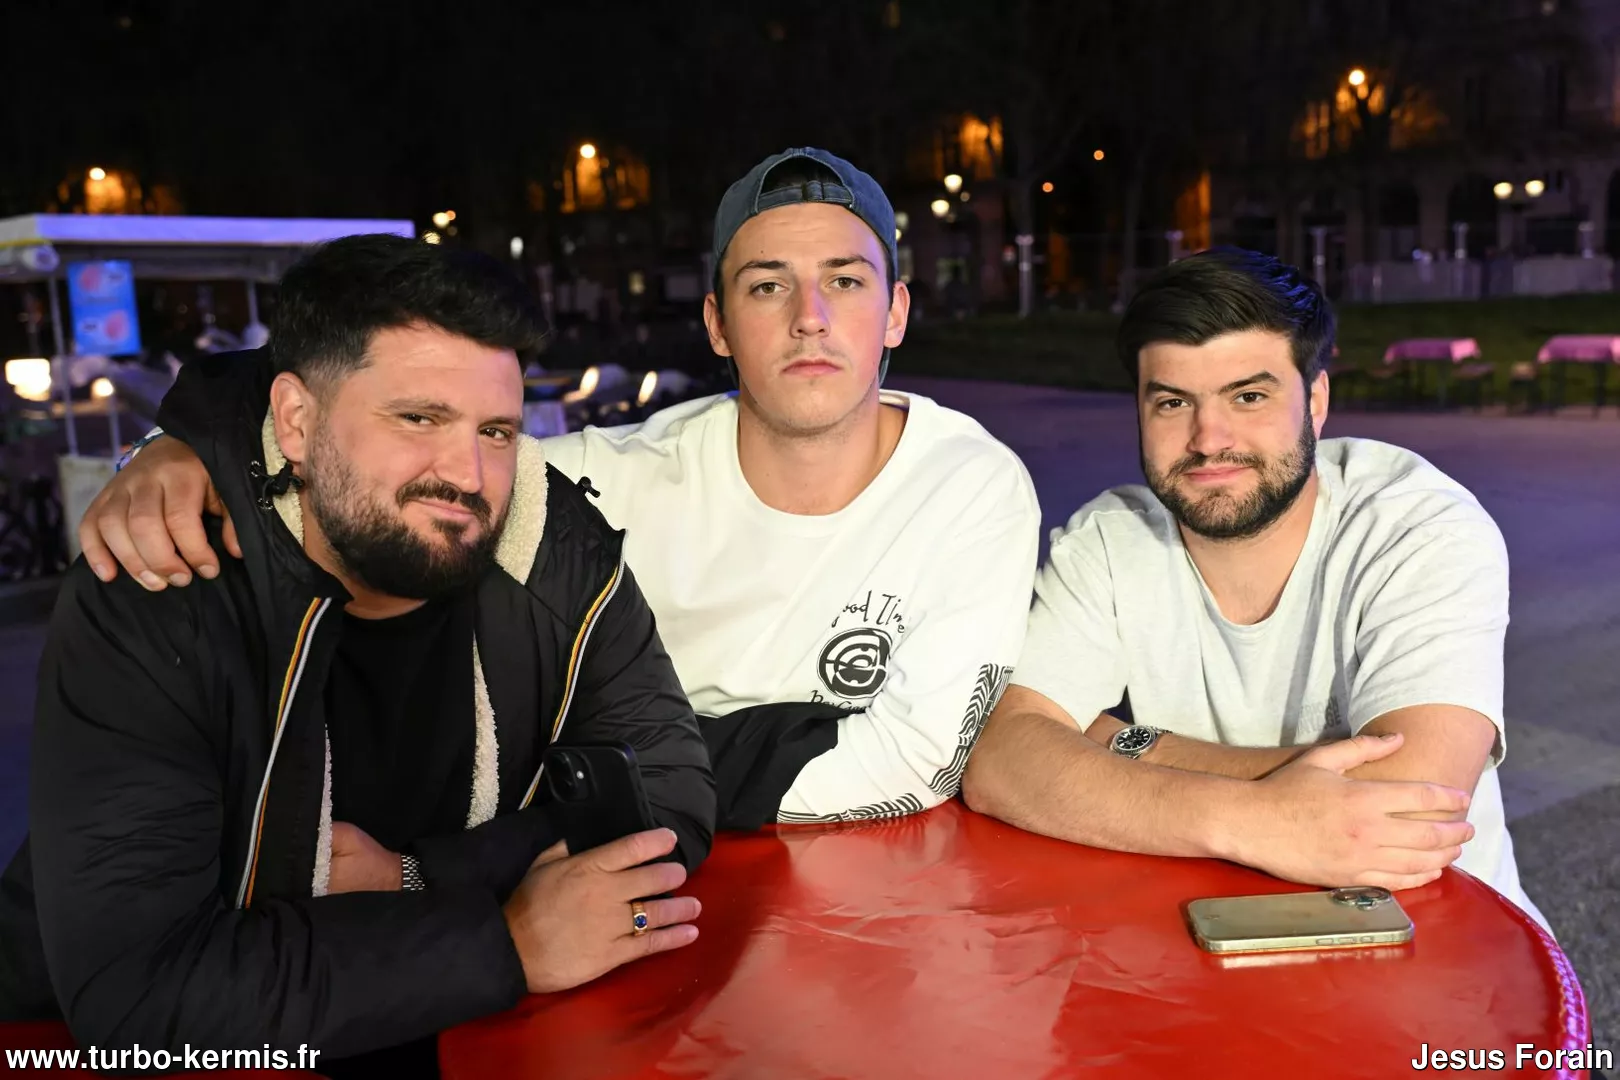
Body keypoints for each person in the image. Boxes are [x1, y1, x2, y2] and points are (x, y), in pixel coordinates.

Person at [72, 148, 1040, 830]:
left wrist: (603, 777)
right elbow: (380, 417)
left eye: (846, 281)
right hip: (624, 864)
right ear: (715, 322)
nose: (810, 317)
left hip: (829, 896)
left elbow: (916, 762)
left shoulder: (969, 486)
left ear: (896, 311)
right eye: (766, 285)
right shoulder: (609, 476)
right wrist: (183, 440)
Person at [0, 235, 716, 1068]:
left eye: (495, 431)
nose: (469, 474)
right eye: (419, 418)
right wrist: (505, 942)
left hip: (465, 1035)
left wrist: (419, 877)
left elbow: (669, 792)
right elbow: (145, 1000)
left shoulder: (552, 547)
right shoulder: (162, 584)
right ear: (297, 423)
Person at [962, 247, 1543, 925]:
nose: (1209, 439)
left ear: (1315, 402)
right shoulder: (1110, 541)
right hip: (1206, 929)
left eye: (1248, 397)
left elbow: (1409, 806)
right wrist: (1258, 815)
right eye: (1173, 402)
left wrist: (1135, 746)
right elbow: (1001, 762)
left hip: (1436, 934)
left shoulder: (1416, 525)